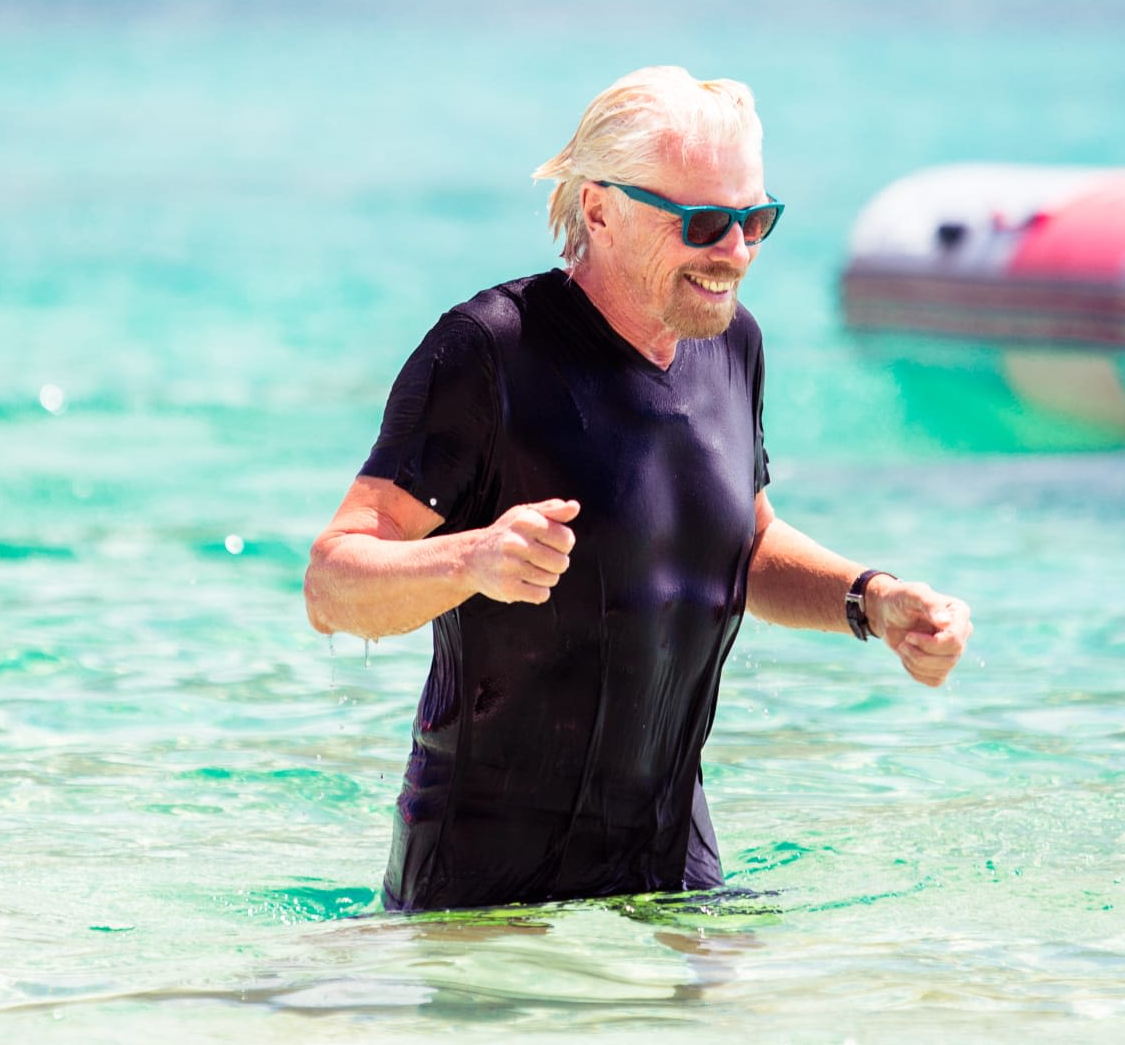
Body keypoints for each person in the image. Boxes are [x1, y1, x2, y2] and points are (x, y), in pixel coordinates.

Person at [303, 66, 973, 913]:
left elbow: (742, 542)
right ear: (598, 209)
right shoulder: (489, 352)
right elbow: (333, 582)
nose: (734, 253)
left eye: (753, 220)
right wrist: (473, 558)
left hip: (675, 880)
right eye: (702, 223)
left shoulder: (733, 347)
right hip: (484, 896)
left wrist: (870, 599)